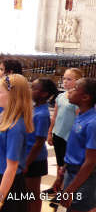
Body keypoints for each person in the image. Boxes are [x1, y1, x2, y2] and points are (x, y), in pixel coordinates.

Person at [0, 74, 33, 212]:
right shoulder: (5, 118)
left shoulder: (15, 127)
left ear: (13, 96)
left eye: (0, 91)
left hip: (6, 184)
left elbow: (11, 168)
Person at [56, 78, 96, 212]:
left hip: (84, 176)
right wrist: (63, 170)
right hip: (71, 171)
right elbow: (76, 147)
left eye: (75, 89)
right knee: (69, 207)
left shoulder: (92, 123)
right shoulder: (80, 115)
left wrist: (72, 189)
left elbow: (90, 161)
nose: (70, 91)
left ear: (85, 97)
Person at [44, 68, 83, 196]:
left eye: (69, 79)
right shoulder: (60, 96)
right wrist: (50, 132)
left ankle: (66, 189)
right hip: (58, 134)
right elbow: (55, 116)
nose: (65, 81)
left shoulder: (77, 99)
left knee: (67, 165)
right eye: (64, 78)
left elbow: (79, 119)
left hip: (69, 137)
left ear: (78, 81)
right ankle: (57, 187)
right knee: (59, 163)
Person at [24, 78, 58, 212]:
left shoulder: (43, 114)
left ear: (44, 94)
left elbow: (39, 142)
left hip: (35, 159)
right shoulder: (35, 108)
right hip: (27, 155)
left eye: (34, 88)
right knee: (26, 192)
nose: (30, 91)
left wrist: (27, 162)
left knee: (33, 193)